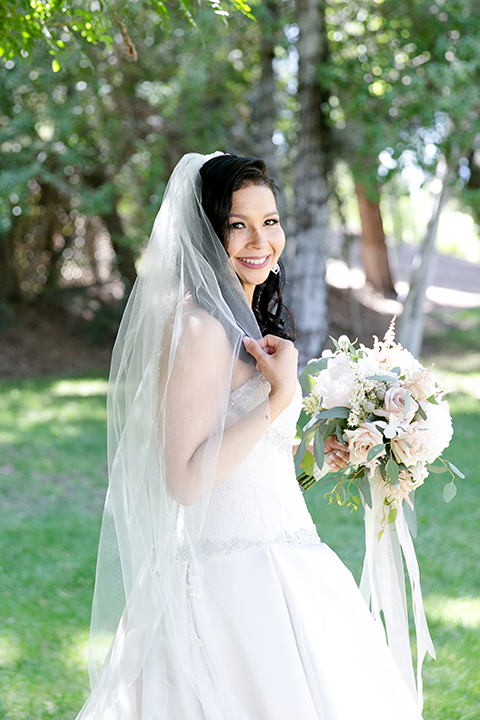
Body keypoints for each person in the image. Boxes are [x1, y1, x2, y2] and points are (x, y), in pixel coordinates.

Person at [76, 152, 424, 719]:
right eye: (238, 224)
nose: (259, 240)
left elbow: (247, 460)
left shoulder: (244, 319)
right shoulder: (199, 326)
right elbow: (186, 480)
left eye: (270, 221)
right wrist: (281, 400)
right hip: (225, 583)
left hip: (287, 555)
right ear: (208, 233)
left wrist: (321, 453)